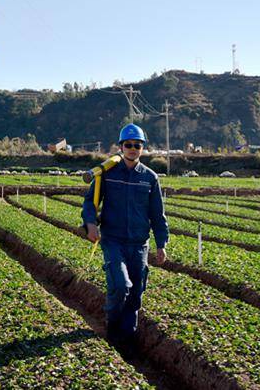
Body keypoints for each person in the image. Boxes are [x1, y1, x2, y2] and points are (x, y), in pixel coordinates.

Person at [81, 123, 168, 356]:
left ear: (142, 149)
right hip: (113, 240)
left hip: (139, 244)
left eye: (137, 145)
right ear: (121, 147)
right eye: (128, 145)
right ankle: (112, 324)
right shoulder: (107, 174)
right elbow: (90, 202)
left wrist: (161, 244)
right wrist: (90, 224)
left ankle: (128, 337)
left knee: (137, 291)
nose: (132, 149)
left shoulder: (150, 178)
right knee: (121, 285)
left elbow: (157, 215)